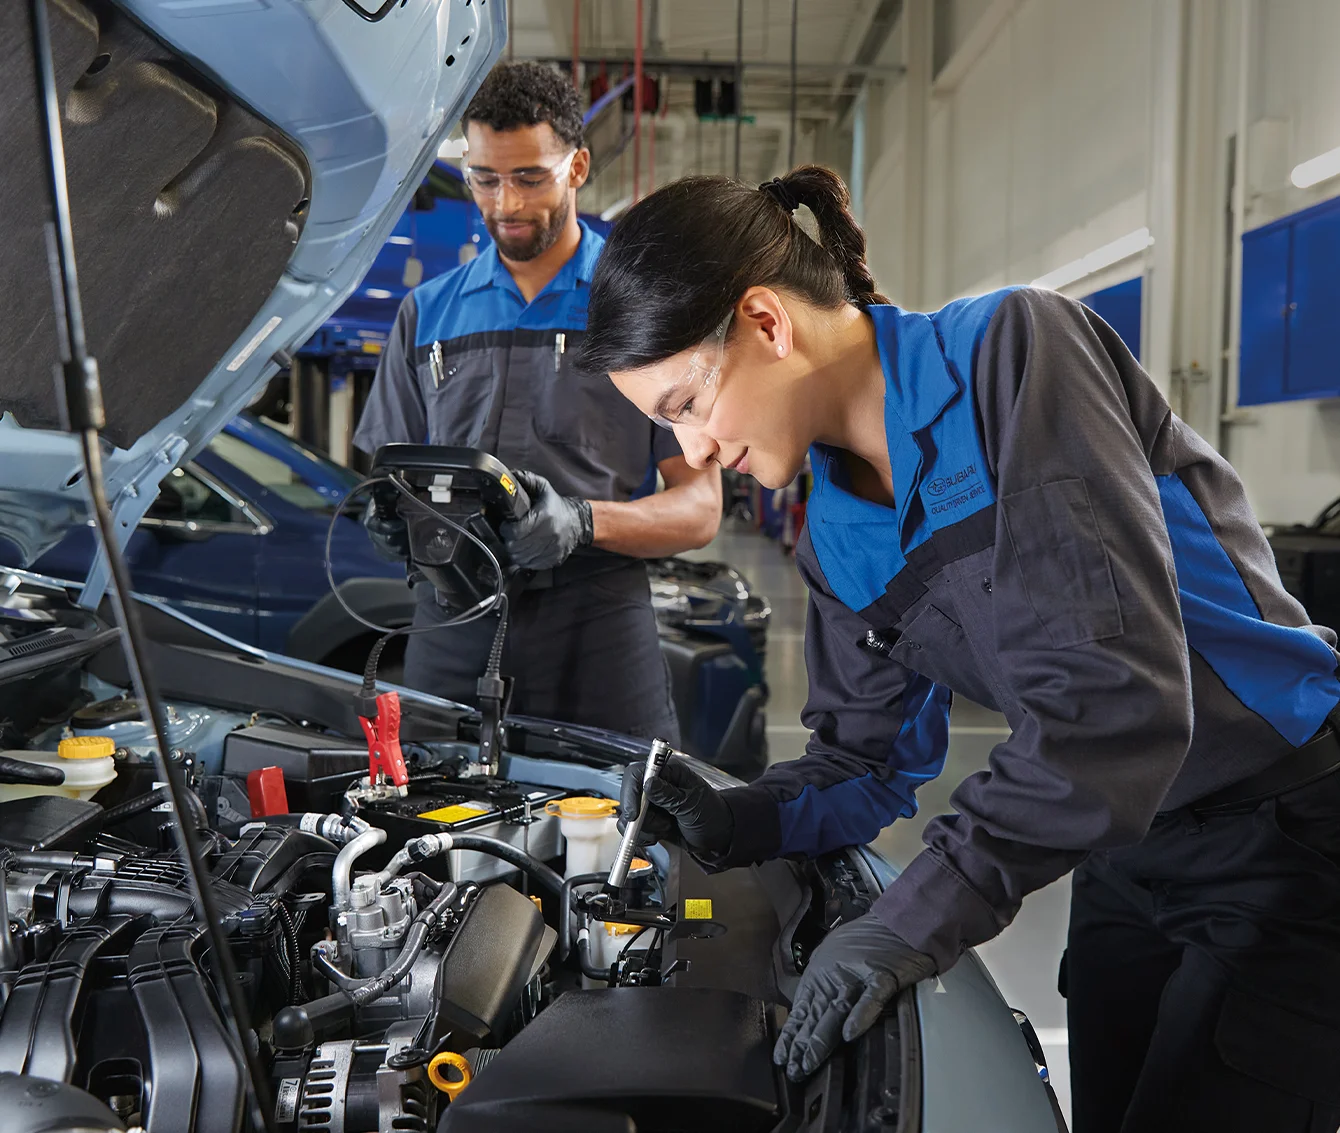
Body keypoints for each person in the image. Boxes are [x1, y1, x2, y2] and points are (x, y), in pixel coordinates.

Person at [578, 166, 1340, 1133]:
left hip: (1286, 834)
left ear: (767, 322)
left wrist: (911, 918)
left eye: (685, 404)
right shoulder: (837, 543)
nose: (691, 452)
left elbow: (1117, 706)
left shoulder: (1014, 358)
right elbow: (868, 762)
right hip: (1124, 850)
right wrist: (739, 820)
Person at [354, 63, 721, 741]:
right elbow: (387, 474)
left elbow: (700, 510)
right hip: (451, 620)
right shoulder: (426, 314)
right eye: (485, 179)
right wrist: (387, 520)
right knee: (432, 832)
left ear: (578, 166)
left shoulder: (640, 311)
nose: (505, 205)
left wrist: (583, 521)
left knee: (627, 833)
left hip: (600, 627)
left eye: (529, 178)